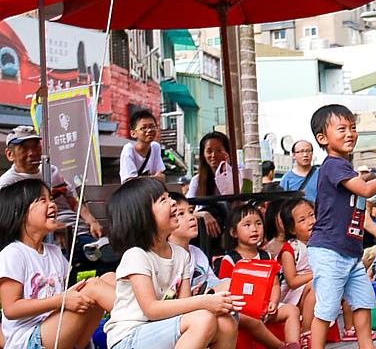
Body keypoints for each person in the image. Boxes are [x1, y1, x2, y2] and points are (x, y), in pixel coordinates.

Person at [104, 178, 241, 349]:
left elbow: (184, 307)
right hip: (128, 338)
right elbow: (151, 309)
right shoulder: (136, 256)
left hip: (161, 330)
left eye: (169, 197)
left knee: (226, 322)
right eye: (164, 200)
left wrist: (215, 303)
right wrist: (204, 302)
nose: (173, 203)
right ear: (143, 216)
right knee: (203, 319)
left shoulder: (181, 256)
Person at [307, 104, 376, 349]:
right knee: (326, 308)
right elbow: (366, 190)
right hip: (329, 250)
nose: (350, 133)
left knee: (363, 300)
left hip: (349, 251)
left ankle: (367, 346)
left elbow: (360, 201)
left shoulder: (344, 168)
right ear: (322, 138)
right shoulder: (334, 164)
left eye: (353, 128)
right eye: (342, 129)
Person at [0, 179, 115, 349]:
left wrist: (68, 298)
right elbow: (11, 309)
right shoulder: (13, 254)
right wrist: (60, 301)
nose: (52, 205)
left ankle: (139, 317)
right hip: (30, 340)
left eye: (51, 198)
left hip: (62, 334)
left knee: (109, 278)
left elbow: (68, 294)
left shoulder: (54, 252)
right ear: (20, 212)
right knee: (92, 288)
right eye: (42, 200)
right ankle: (141, 319)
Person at [0, 126, 104, 251]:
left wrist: (92, 222)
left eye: (36, 146)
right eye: (24, 148)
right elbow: (11, 223)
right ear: (10, 154)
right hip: (46, 241)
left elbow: (72, 201)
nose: (32, 153)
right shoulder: (7, 185)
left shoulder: (52, 171)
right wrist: (51, 231)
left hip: (79, 231)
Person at [216, 203, 301, 349]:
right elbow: (225, 292)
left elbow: (275, 284)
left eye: (258, 223)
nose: (254, 229)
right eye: (247, 225)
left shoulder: (266, 256)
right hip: (242, 312)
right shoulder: (230, 260)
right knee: (247, 317)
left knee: (292, 310)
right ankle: (280, 347)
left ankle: (293, 345)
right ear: (233, 232)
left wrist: (273, 302)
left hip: (266, 307)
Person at [167, 192, 224, 295]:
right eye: (181, 214)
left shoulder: (197, 253)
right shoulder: (166, 257)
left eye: (191, 211)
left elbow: (213, 282)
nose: (192, 217)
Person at [277, 199, 316, 337]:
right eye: (302, 220)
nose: (310, 221)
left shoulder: (320, 243)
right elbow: (292, 282)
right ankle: (306, 331)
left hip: (310, 289)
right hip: (291, 298)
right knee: (315, 285)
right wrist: (316, 274)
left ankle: (349, 327)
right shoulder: (290, 250)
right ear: (292, 229)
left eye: (312, 215)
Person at [187, 131, 233, 241]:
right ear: (203, 154)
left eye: (219, 151)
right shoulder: (197, 180)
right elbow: (186, 210)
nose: (213, 155)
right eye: (209, 151)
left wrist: (228, 171)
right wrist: (203, 214)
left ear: (227, 153)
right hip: (204, 235)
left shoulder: (237, 177)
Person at [119, 110, 165, 183]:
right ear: (133, 133)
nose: (149, 130)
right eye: (143, 128)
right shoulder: (128, 150)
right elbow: (131, 183)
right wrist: (153, 178)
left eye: (152, 126)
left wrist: (142, 179)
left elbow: (162, 177)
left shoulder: (155, 147)